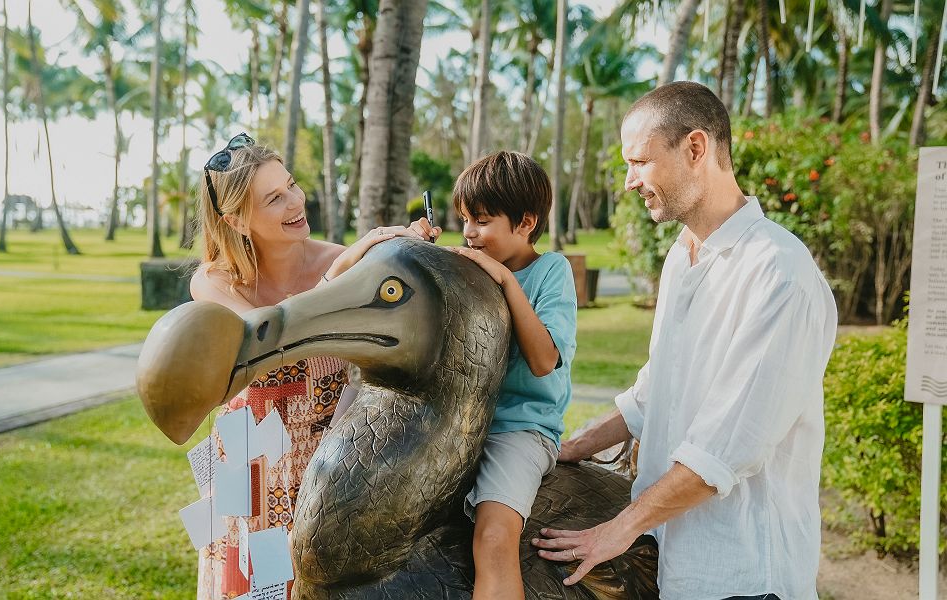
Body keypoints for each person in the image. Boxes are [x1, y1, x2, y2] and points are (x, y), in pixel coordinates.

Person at [531, 81, 838, 600]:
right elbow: (656, 394)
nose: (629, 181)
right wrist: (568, 448)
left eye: (640, 162)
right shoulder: (682, 255)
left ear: (696, 148)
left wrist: (615, 530)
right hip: (676, 566)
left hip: (744, 578)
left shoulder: (779, 274)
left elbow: (722, 451)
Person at [189, 133, 439, 599]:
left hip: (331, 463)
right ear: (237, 220)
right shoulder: (214, 281)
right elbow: (271, 334)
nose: (295, 202)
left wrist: (398, 254)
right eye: (274, 198)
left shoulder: (341, 260)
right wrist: (346, 265)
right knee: (252, 584)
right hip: (251, 470)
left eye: (291, 185)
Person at [449, 151, 578, 600]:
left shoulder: (551, 272)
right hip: (462, 426)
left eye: (482, 220)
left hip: (520, 429)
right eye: (465, 220)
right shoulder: (468, 271)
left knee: (493, 538)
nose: (469, 233)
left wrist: (505, 281)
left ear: (525, 222)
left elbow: (544, 360)